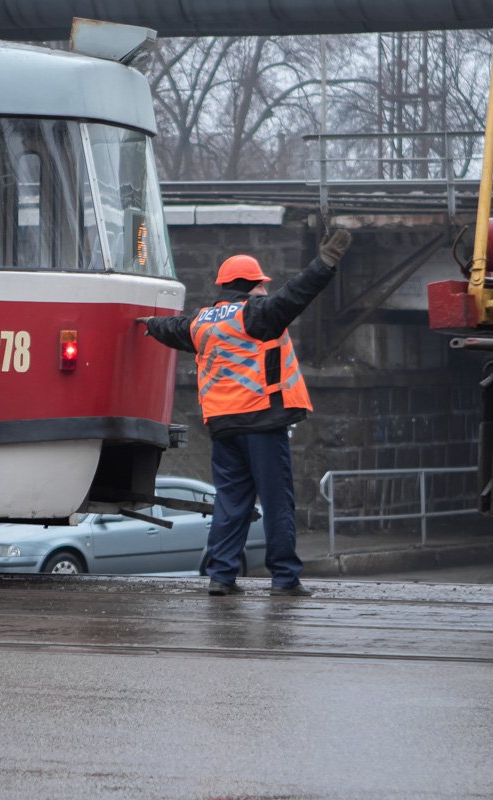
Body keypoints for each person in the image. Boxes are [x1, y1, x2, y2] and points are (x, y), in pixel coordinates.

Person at [138, 230, 352, 597]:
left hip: (222, 427)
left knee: (230, 502)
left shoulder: (202, 321)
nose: (267, 291)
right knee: (276, 500)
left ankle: (221, 575)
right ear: (250, 285)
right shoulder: (256, 314)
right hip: (261, 422)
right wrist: (326, 263)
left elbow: (168, 328)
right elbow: (297, 294)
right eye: (262, 285)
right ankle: (284, 577)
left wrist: (145, 324)